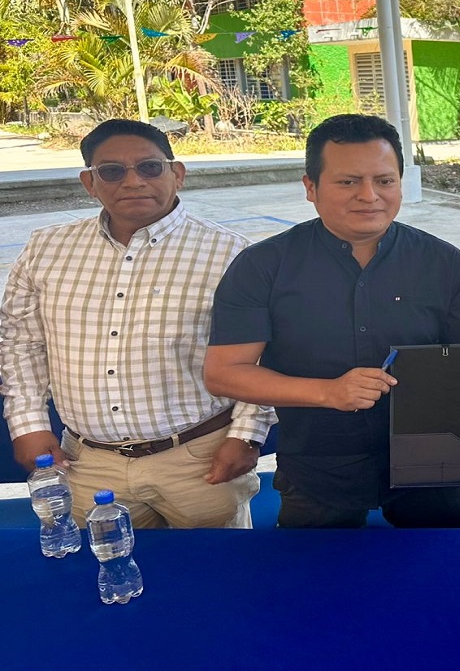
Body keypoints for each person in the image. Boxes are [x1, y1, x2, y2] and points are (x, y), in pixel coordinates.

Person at [203, 114, 460, 528]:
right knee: (321, 586)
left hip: (434, 468)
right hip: (317, 469)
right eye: (348, 182)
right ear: (311, 187)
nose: (369, 196)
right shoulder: (264, 266)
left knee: (438, 582)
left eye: (385, 180)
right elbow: (223, 374)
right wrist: (328, 392)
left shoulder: (441, 261)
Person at [0, 119, 270, 528]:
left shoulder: (232, 254)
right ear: (89, 182)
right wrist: (29, 427)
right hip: (86, 464)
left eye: (149, 167)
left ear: (176, 174)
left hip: (200, 460)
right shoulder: (46, 249)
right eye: (111, 171)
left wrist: (246, 435)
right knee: (108, 576)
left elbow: (263, 352)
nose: (132, 181)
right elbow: (20, 344)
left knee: (216, 579)